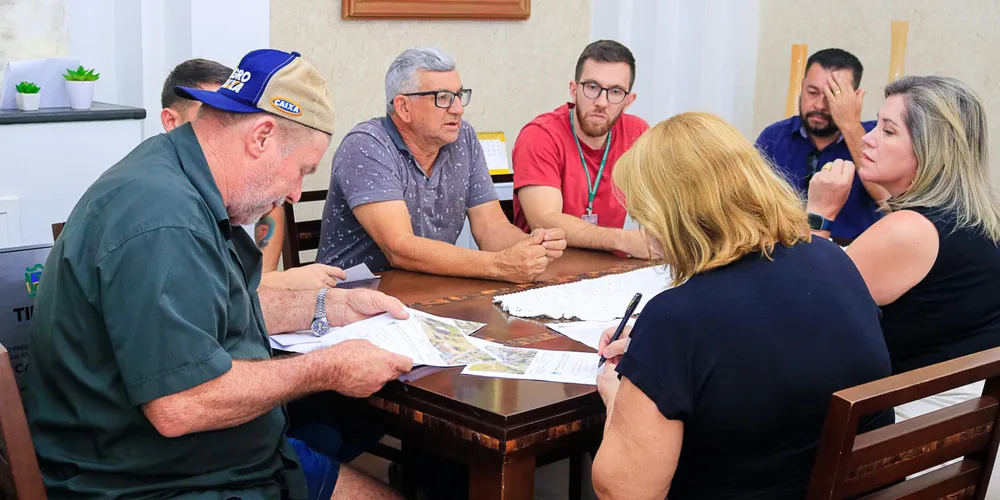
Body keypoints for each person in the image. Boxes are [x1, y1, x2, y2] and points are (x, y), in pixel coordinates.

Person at [25, 49, 408, 500]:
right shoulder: (164, 218)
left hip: (204, 461)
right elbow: (183, 403)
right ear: (262, 135)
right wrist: (327, 368)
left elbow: (205, 305)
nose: (294, 192)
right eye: (301, 170)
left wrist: (328, 305)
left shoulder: (173, 170)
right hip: (153, 482)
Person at [590, 112, 892, 498]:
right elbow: (768, 345)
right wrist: (654, 361)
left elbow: (623, 492)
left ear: (672, 218)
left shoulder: (677, 318)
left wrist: (618, 400)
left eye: (643, 217)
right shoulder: (833, 260)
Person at [806, 76, 1000, 418]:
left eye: (887, 130)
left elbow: (802, 307)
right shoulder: (978, 218)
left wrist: (820, 213)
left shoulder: (911, 230)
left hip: (897, 428)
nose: (866, 138)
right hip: (954, 425)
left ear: (930, 149)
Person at [315, 47, 567, 282]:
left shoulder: (462, 137)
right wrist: (498, 265)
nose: (458, 109)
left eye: (458, 95)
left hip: (432, 290)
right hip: (352, 299)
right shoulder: (366, 145)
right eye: (443, 98)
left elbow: (492, 227)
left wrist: (530, 246)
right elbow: (400, 248)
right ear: (403, 107)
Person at [160, 58, 346, 290]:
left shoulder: (221, 186)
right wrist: (271, 285)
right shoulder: (168, 214)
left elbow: (271, 208)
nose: (220, 122)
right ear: (171, 121)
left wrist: (263, 279)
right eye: (207, 113)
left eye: (228, 112)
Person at [511, 40, 653, 258]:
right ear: (573, 89)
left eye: (615, 91)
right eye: (593, 87)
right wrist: (623, 240)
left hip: (611, 271)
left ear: (628, 101)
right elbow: (544, 220)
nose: (602, 102)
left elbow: (665, 201)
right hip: (545, 270)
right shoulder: (540, 135)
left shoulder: (637, 133)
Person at [755, 48, 890, 244]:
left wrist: (849, 124)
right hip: (785, 252)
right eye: (812, 92)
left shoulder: (874, 137)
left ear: (853, 97)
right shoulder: (774, 137)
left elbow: (888, 200)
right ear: (801, 88)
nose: (819, 105)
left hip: (853, 256)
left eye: (831, 97)